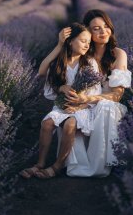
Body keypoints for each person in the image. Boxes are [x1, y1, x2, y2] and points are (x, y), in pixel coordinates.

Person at [40, 9, 132, 177]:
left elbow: (116, 95)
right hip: (81, 106)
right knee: (70, 119)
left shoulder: (118, 54)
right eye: (96, 28)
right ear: (88, 32)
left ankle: (100, 166)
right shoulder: (83, 53)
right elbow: (48, 71)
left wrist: (87, 99)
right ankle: (70, 164)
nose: (103, 32)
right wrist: (60, 44)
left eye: (105, 26)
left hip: (106, 105)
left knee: (105, 106)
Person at [19, 22, 101, 179]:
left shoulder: (90, 63)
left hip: (83, 108)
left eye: (89, 43)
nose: (87, 45)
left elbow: (95, 92)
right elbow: (49, 90)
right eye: (83, 41)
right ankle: (40, 163)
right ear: (70, 41)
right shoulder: (58, 63)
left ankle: (57, 166)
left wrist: (80, 104)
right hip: (62, 107)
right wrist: (61, 88)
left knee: (70, 124)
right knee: (46, 123)